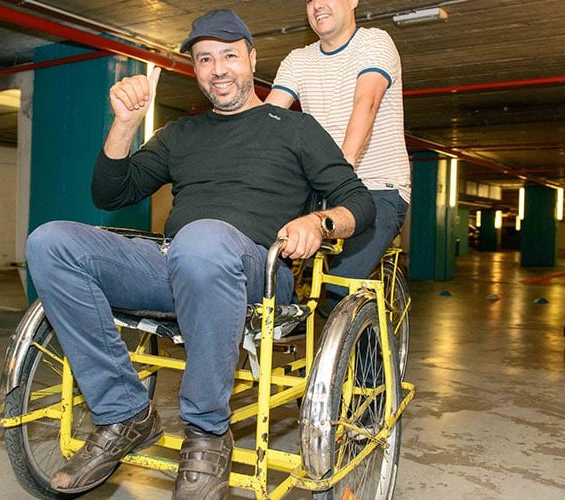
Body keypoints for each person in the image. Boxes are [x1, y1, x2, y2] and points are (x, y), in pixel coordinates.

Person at [24, 10, 374, 499]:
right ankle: (123, 413)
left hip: (258, 272)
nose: (218, 69)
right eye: (205, 59)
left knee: (202, 240)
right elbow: (110, 193)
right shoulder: (180, 135)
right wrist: (125, 124)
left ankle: (207, 431)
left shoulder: (295, 129)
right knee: (51, 242)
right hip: (176, 264)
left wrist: (319, 222)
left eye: (229, 55)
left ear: (253, 59)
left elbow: (359, 202)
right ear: (195, 69)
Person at [266, 0, 410, 308]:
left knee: (338, 289)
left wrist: (342, 170)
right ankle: (289, 317)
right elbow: (268, 119)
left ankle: (368, 339)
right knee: (263, 260)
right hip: (322, 191)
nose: (317, 5)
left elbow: (366, 103)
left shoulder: (374, 42)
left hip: (378, 190)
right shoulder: (298, 60)